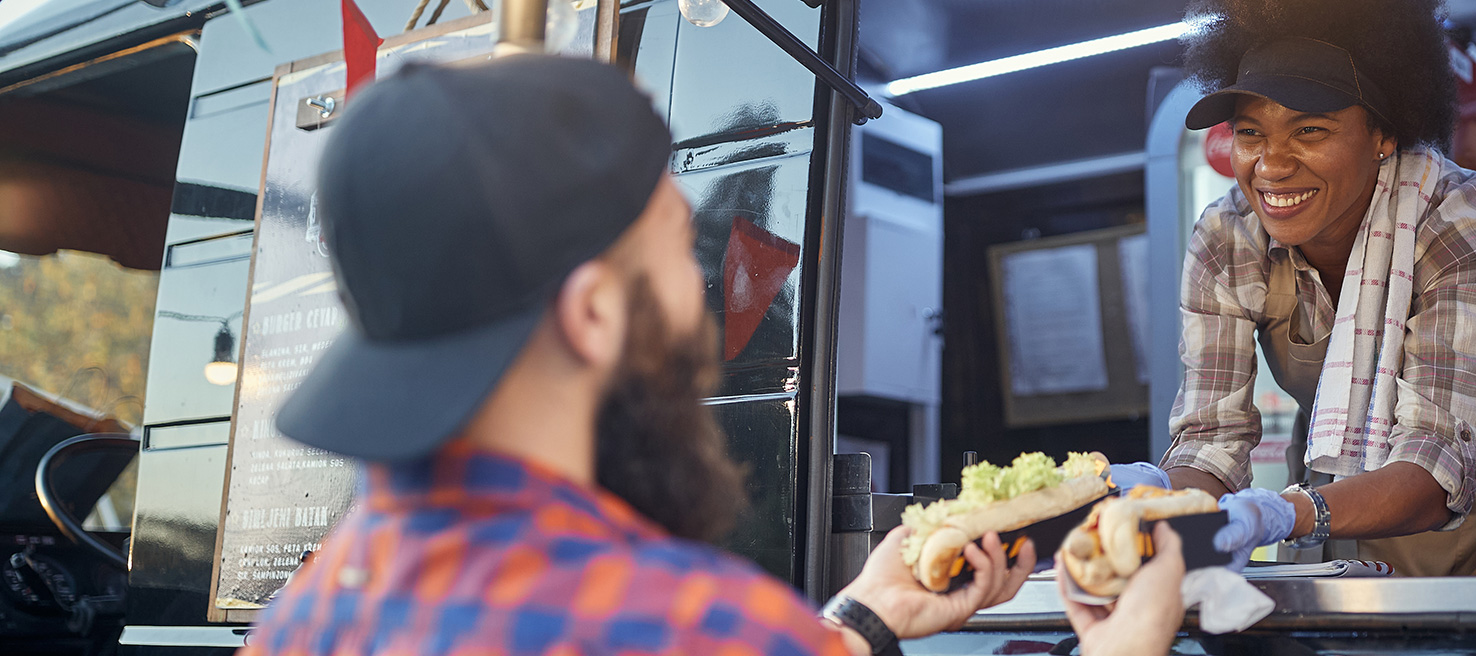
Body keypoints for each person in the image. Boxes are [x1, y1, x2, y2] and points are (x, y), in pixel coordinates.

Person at [235, 55, 1039, 656]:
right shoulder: (697, 624)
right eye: (676, 249)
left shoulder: (295, 623)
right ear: (592, 313)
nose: (699, 296)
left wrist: (863, 619)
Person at [1114, 0, 1476, 577]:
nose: (1272, 164)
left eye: (1309, 130)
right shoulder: (1226, 237)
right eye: (1249, 132)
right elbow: (1213, 439)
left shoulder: (1452, 218)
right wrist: (1156, 499)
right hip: (1333, 466)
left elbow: (1438, 459)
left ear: (1383, 134)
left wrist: (1289, 513)